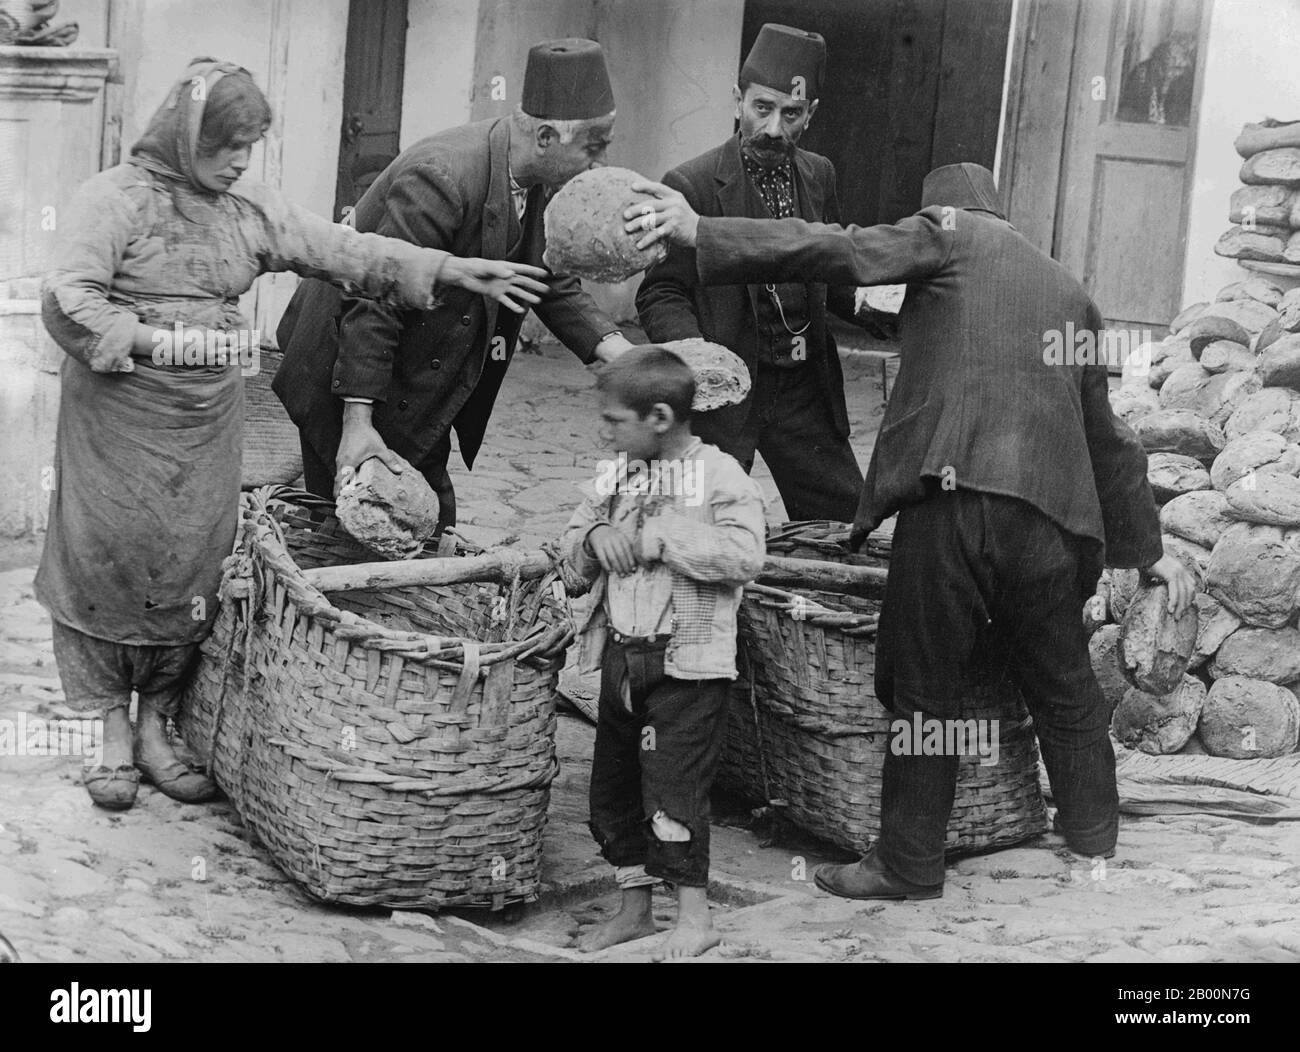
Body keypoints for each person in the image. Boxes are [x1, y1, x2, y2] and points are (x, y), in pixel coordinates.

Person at [627, 162, 1197, 898]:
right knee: (1062, 681)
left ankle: (907, 861)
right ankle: (1092, 831)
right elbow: (1110, 436)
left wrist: (701, 230)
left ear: (939, 212)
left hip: (955, 499)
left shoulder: (944, 236)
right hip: (1053, 522)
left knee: (924, 686)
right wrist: (1147, 552)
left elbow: (833, 248)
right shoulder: (1070, 291)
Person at [37, 57, 547, 811]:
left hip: (204, 426)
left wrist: (445, 267)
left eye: (250, 143)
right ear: (184, 136)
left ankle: (158, 729)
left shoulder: (247, 208)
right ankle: (112, 728)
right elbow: (66, 302)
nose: (239, 160)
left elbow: (346, 250)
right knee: (106, 560)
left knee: (191, 564)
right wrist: (162, 343)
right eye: (225, 144)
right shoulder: (114, 200)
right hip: (116, 426)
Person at [274, 38, 635, 528]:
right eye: (594, 149)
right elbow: (376, 302)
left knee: (426, 528)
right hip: (343, 374)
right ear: (547, 136)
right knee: (347, 536)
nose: (599, 164)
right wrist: (356, 425)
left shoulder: (539, 181)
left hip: (422, 380)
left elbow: (547, 281)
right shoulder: (442, 176)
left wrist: (623, 357)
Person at [562, 347, 765, 958]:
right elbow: (570, 547)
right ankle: (635, 910)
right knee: (616, 791)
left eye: (614, 421)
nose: (604, 433)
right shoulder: (616, 476)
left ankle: (695, 918)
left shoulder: (721, 475)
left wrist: (661, 537)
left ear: (658, 416)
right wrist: (596, 536)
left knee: (673, 792)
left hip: (689, 667)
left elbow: (744, 556)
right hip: (624, 659)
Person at [635, 22, 873, 522]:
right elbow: (660, 294)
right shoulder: (691, 184)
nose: (772, 128)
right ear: (737, 100)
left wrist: (881, 304)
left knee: (844, 525)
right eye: (761, 108)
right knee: (706, 523)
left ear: (811, 114)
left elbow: (830, 276)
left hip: (805, 390)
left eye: (791, 114)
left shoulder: (820, 174)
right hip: (727, 396)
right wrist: (696, 359)